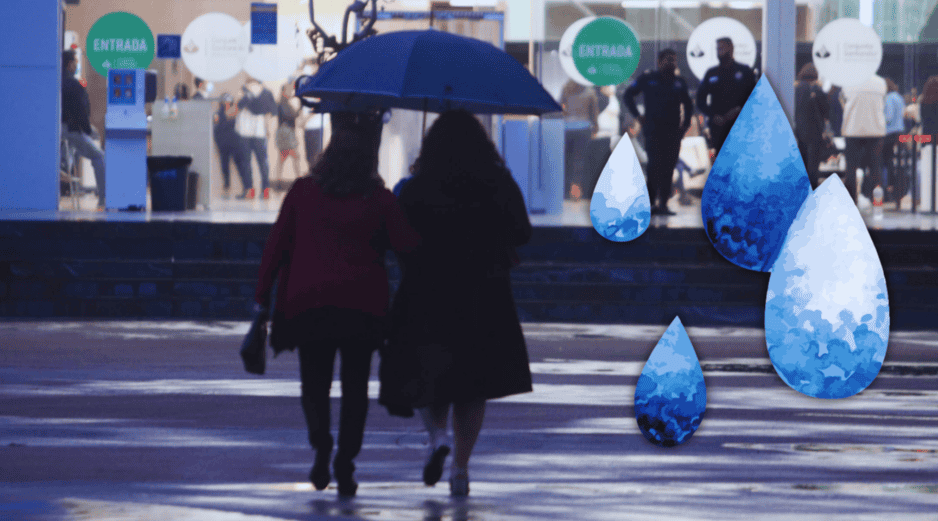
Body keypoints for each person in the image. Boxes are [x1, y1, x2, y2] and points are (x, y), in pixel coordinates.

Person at [253, 123, 420, 497]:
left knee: (314, 382)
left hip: (308, 304)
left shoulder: (303, 193)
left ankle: (320, 442)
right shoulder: (378, 199)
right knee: (355, 387)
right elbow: (407, 247)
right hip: (362, 308)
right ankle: (346, 460)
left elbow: (276, 248)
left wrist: (262, 297)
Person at [381, 110, 533, 497]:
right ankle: (461, 469)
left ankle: (436, 438)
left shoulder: (416, 188)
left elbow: (397, 235)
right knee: (473, 384)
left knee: (429, 376)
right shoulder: (496, 182)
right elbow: (522, 231)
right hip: (484, 294)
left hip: (427, 292)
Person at [622, 48, 693, 215]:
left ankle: (663, 205)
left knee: (669, 168)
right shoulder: (648, 78)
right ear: (660, 61)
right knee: (654, 167)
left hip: (673, 132)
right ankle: (649, 204)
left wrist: (685, 125)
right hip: (653, 131)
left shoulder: (679, 82)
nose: (671, 63)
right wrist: (638, 116)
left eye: (674, 60)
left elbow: (689, 105)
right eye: (668, 59)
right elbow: (628, 95)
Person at [695, 37, 757, 157]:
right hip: (718, 126)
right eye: (718, 48)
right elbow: (700, 100)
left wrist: (739, 110)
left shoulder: (744, 71)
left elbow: (754, 98)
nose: (719, 51)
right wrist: (713, 116)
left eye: (722, 48)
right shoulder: (711, 73)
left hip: (740, 125)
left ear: (731, 48)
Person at [61, 49, 106, 210]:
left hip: (59, 129)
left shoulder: (54, 80)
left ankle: (65, 164)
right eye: (75, 61)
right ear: (69, 64)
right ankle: (104, 199)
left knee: (83, 141)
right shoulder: (73, 84)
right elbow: (80, 112)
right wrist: (86, 129)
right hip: (71, 129)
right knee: (99, 156)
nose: (77, 64)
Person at [841, 74, 887, 204]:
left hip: (852, 129)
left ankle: (850, 201)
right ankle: (878, 201)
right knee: (876, 169)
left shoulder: (849, 81)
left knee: (851, 169)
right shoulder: (880, 82)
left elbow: (843, 100)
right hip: (875, 129)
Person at [237, 79, 277, 199]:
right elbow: (273, 112)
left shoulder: (244, 89)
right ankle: (266, 190)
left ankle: (249, 190)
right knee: (263, 161)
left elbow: (238, 105)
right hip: (260, 130)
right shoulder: (267, 92)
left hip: (245, 130)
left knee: (246, 161)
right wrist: (268, 128)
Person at [560, 80, 599, 201]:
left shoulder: (566, 89)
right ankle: (576, 191)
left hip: (566, 128)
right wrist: (596, 129)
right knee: (579, 160)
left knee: (566, 160)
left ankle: (565, 191)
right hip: (583, 128)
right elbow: (594, 113)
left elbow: (561, 107)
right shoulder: (590, 92)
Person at [794, 63, 829, 189]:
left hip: (798, 132)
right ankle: (812, 193)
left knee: (801, 164)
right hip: (815, 133)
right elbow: (826, 111)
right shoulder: (817, 90)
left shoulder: (795, 90)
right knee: (813, 167)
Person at [213, 93, 249, 196]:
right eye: (225, 101)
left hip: (235, 144)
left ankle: (246, 188)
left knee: (240, 166)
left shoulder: (234, 112)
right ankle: (226, 188)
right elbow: (216, 130)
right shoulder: (218, 114)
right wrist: (218, 144)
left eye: (229, 101)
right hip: (224, 145)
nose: (227, 103)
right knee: (225, 166)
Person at [883, 78, 907, 203]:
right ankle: (898, 190)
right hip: (900, 132)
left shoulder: (888, 98)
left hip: (889, 133)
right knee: (897, 161)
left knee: (885, 161)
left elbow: (889, 116)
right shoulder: (899, 97)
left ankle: (887, 189)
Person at [275, 83, 301, 190]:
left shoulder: (283, 102)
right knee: (294, 156)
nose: (291, 92)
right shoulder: (282, 103)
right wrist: (299, 108)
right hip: (286, 132)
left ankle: (279, 181)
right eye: (289, 90)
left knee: (283, 157)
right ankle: (298, 181)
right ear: (284, 91)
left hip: (285, 132)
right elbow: (290, 115)